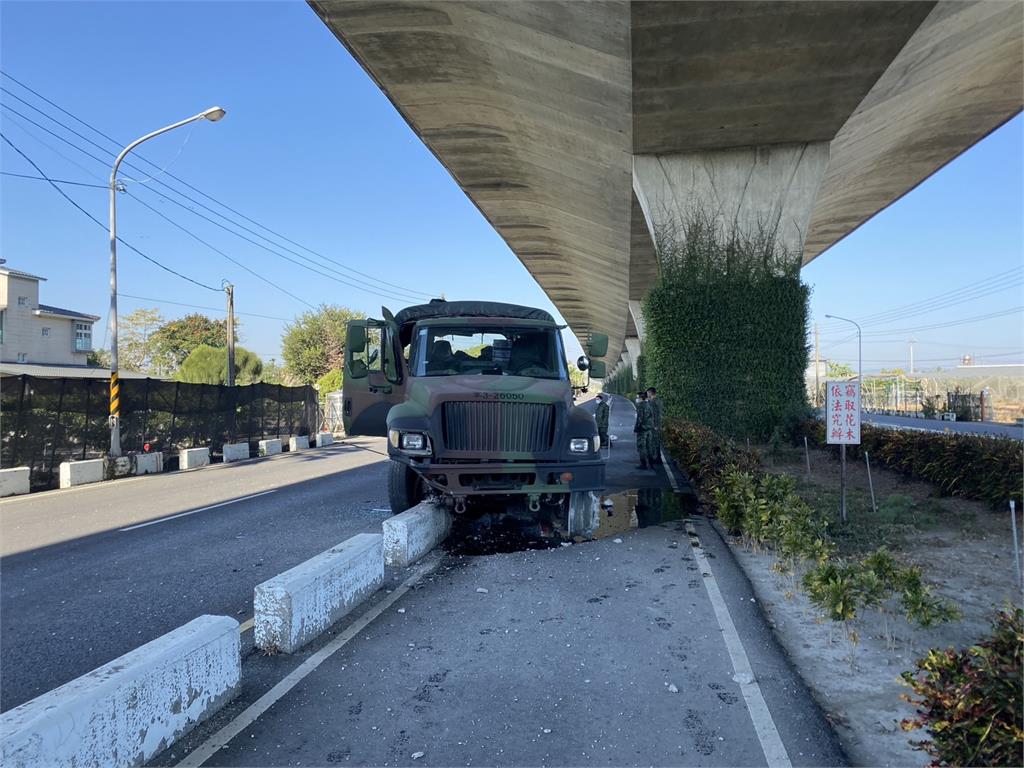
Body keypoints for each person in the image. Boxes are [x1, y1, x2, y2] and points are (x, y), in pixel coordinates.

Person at [633, 391, 656, 470]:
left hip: (642, 429)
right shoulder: (649, 405)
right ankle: (651, 463)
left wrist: (636, 429)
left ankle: (643, 464)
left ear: (641, 397)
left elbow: (639, 419)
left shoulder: (640, 406)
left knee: (641, 447)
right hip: (649, 429)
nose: (637, 399)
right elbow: (652, 416)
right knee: (649, 446)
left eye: (638, 397)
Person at [646, 387, 663, 464]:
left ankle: (657, 458)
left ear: (650, 392)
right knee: (656, 441)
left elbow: (656, 414)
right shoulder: (657, 400)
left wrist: (656, 425)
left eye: (648, 393)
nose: (647, 394)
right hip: (656, 424)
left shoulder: (654, 402)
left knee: (654, 442)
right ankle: (657, 457)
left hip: (655, 425)